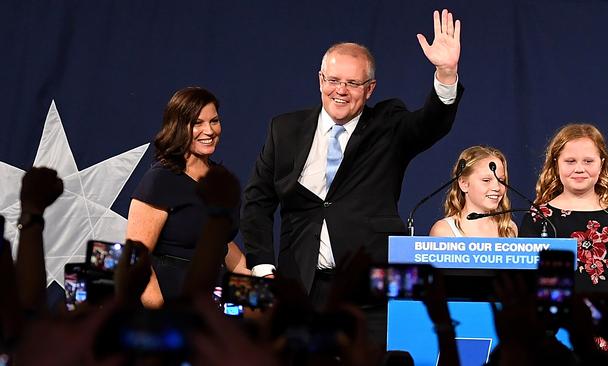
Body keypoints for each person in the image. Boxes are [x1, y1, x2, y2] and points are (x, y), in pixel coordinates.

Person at [241, 8, 463, 306]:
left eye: (352, 83)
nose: (340, 91)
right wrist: (264, 269)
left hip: (369, 291)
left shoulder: (388, 125)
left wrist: (446, 73)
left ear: (370, 89)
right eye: (333, 80)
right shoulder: (285, 129)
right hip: (299, 287)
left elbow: (431, 123)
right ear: (320, 80)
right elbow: (257, 202)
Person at [519, 123, 608, 353]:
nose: (579, 169)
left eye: (588, 161)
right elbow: (527, 286)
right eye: (570, 161)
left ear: (602, 164)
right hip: (558, 339)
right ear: (555, 163)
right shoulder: (538, 218)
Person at [126, 86, 248, 307]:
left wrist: (253, 278)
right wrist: (162, 321)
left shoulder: (221, 180)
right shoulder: (160, 181)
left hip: (214, 305)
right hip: (170, 305)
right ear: (178, 127)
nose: (209, 131)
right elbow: (136, 260)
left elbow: (223, 243)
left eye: (214, 121)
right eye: (197, 123)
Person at [429, 146, 517, 238]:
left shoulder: (509, 229)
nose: (497, 187)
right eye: (486, 180)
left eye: (501, 180)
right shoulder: (444, 231)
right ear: (464, 184)